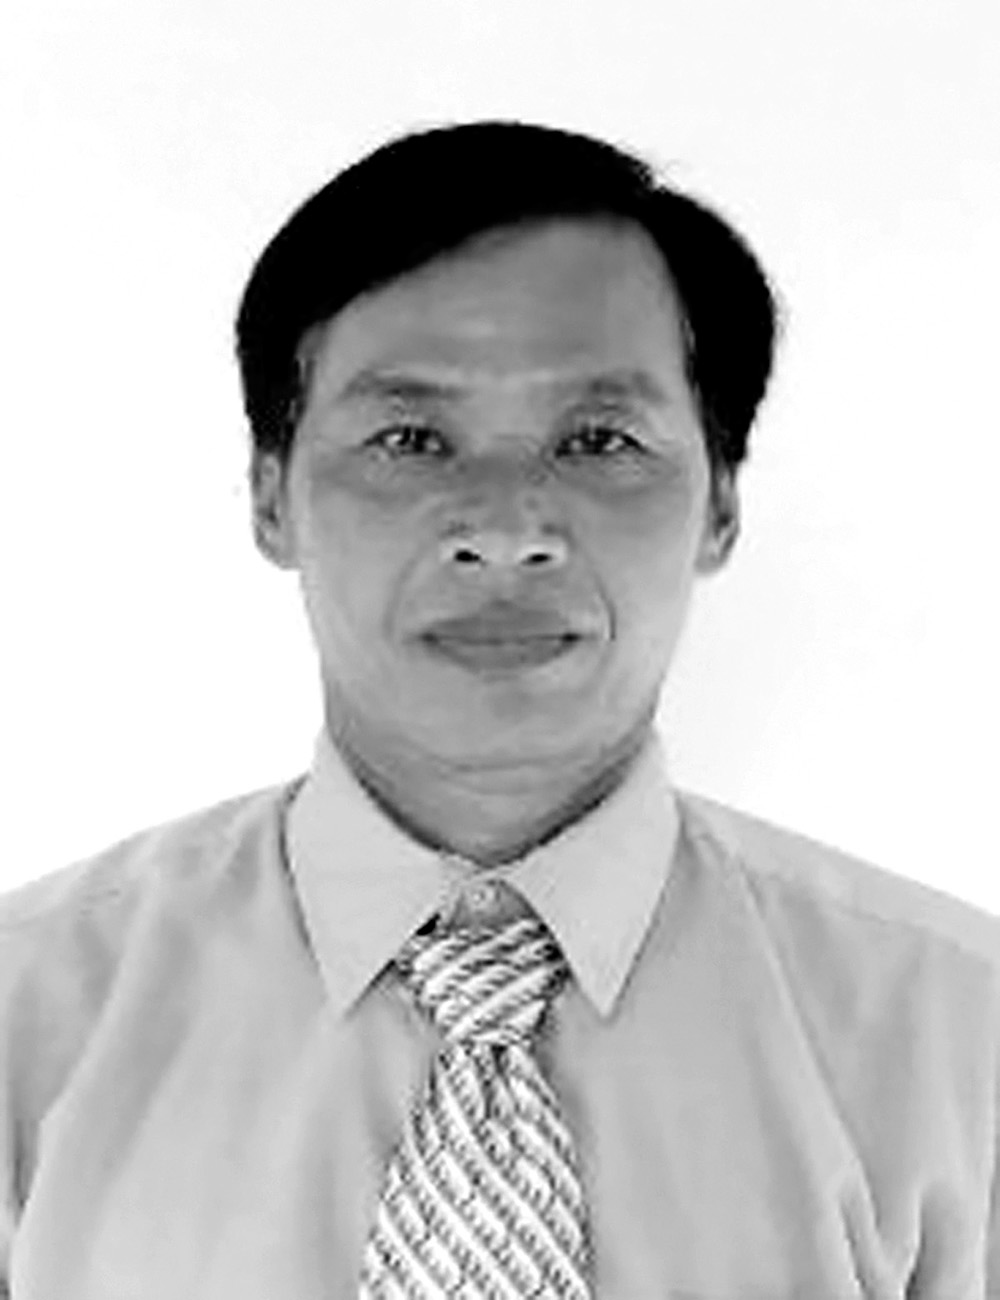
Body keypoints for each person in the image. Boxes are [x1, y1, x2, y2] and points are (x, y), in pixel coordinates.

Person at [0, 120, 997, 1300]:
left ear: (721, 504)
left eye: (599, 439)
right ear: (271, 496)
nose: (507, 528)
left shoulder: (963, 1039)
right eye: (410, 439)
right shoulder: (26, 1021)